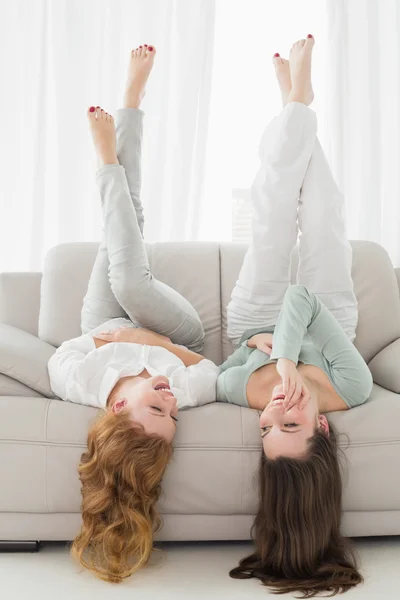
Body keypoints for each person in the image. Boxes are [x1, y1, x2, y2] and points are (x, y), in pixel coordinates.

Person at [47, 44, 220, 584]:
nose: (171, 404)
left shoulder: (82, 383)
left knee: (126, 226)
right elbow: (207, 370)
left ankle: (129, 113)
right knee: (128, 273)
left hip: (101, 323)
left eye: (156, 409)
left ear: (118, 405)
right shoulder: (180, 388)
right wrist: (160, 345)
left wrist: (107, 340)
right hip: (173, 330)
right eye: (173, 418)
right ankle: (111, 151)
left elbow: (65, 356)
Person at [219, 36, 373, 596]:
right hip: (329, 311)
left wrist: (255, 351)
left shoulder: (258, 395)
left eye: (267, 429)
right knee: (324, 207)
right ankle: (297, 106)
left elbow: (225, 375)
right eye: (293, 424)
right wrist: (284, 357)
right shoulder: (352, 388)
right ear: (323, 426)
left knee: (273, 205)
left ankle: (297, 104)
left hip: (253, 315)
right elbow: (304, 300)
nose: (277, 411)